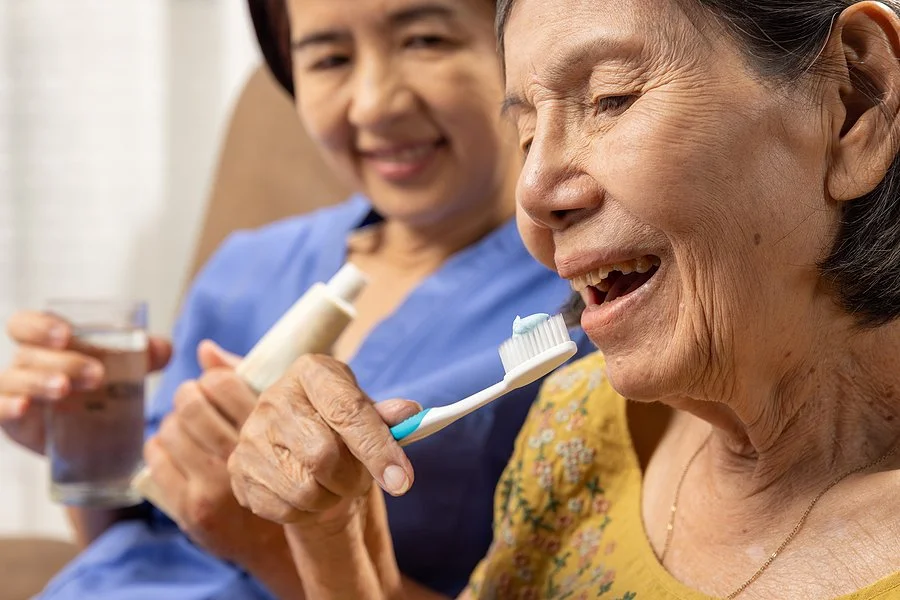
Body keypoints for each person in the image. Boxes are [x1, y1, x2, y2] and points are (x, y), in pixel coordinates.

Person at [226, 0, 900, 598]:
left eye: (612, 97)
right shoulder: (576, 426)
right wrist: (331, 530)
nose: (534, 194)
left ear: (854, 100)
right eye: (524, 136)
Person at [0, 0, 583, 598]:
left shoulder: (585, 296)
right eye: (329, 58)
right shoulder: (247, 267)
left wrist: (272, 543)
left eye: (425, 41)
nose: (376, 102)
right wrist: (81, 447)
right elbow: (142, 544)